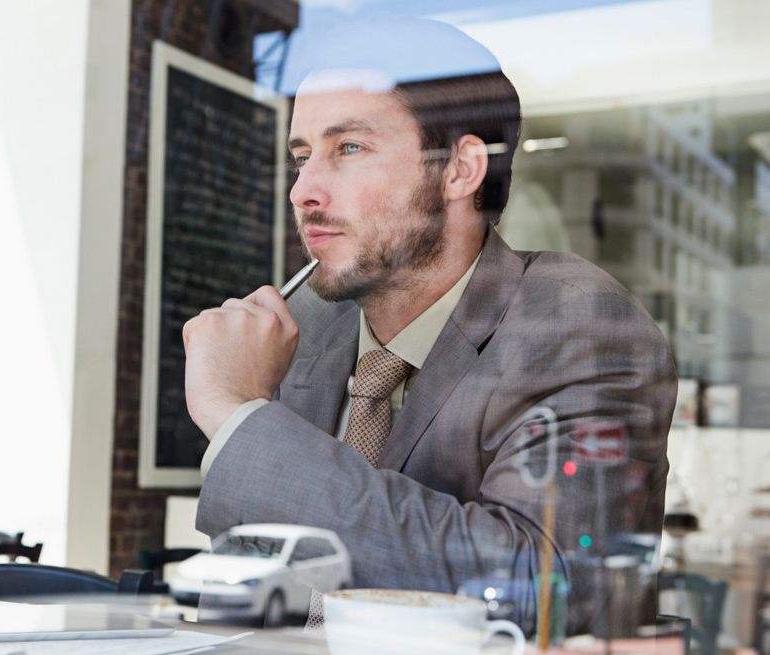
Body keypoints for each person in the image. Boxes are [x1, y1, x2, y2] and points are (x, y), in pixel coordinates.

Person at [181, 18, 676, 634]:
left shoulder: (576, 324)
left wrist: (242, 418)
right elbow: (248, 601)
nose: (302, 190)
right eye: (302, 157)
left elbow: (549, 590)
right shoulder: (303, 325)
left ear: (460, 170)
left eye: (349, 149)